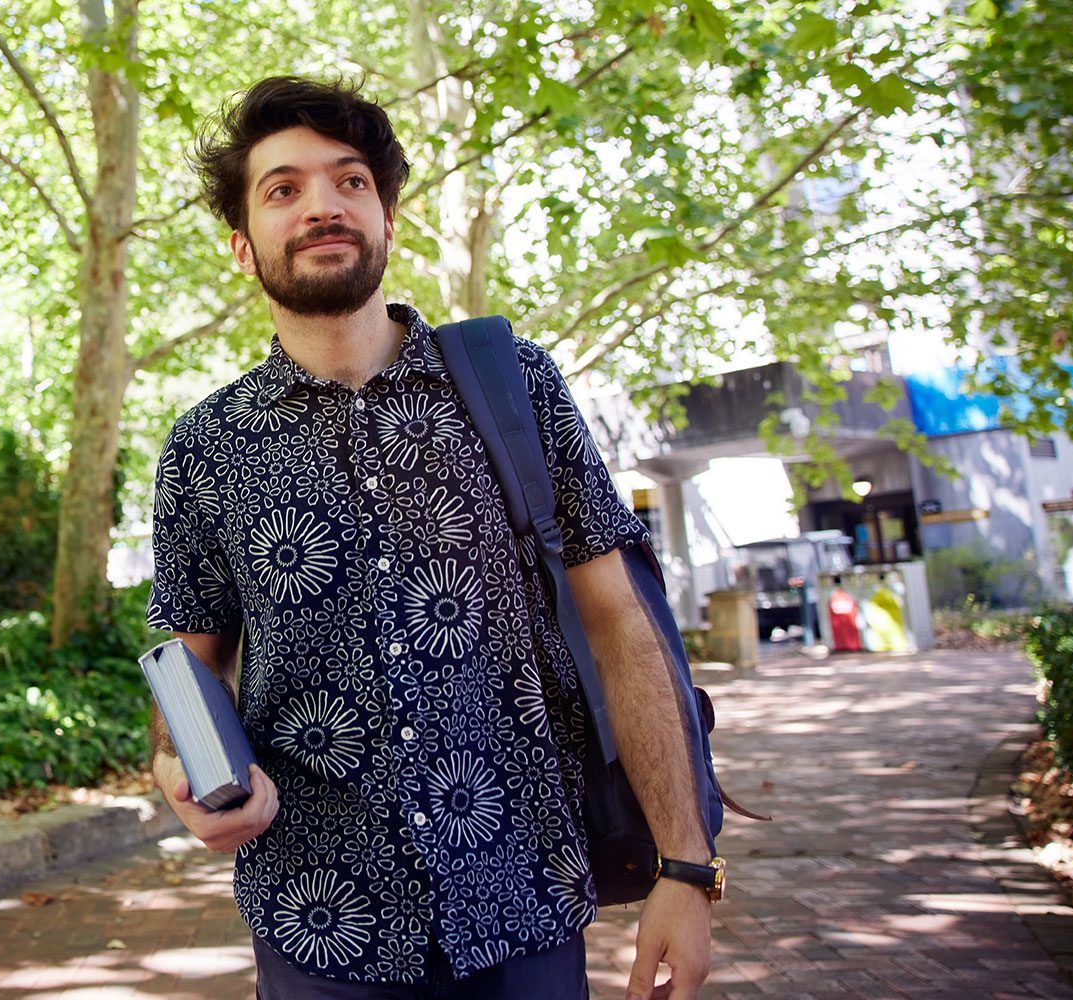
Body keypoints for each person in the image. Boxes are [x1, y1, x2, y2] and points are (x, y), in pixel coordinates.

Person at [145, 76, 720, 1000]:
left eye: (351, 181)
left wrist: (686, 870)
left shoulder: (514, 386)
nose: (323, 205)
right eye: (283, 188)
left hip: (526, 900)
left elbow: (624, 626)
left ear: (387, 217)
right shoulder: (206, 448)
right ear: (244, 248)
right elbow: (186, 667)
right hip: (320, 925)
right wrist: (185, 774)